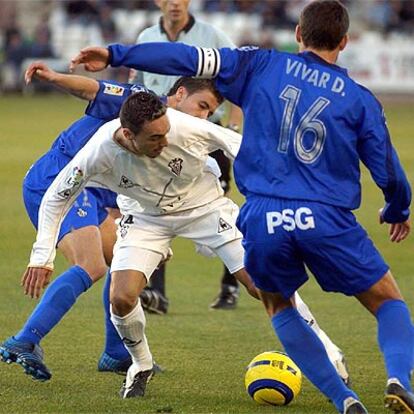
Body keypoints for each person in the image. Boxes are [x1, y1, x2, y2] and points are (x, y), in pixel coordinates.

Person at [70, 0, 414, 412]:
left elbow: (184, 56)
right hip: (325, 215)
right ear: (344, 41)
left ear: (298, 35)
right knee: (387, 299)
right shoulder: (359, 99)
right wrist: (397, 209)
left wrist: (115, 54)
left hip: (263, 216)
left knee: (277, 303)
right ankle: (397, 376)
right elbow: (389, 173)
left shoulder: (260, 64)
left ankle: (344, 401)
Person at [0, 63, 224, 380]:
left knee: (122, 261)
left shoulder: (168, 137)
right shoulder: (140, 103)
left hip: (99, 194)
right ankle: (24, 340)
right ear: (179, 94)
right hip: (60, 181)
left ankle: (116, 354)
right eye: (202, 106)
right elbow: (94, 90)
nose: (204, 117)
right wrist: (53, 77)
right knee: (92, 265)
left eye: (210, 113)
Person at [129, 0, 243, 312]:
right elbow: (135, 87)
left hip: (205, 136)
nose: (175, 3)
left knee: (221, 207)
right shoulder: (146, 38)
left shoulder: (213, 37)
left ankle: (230, 287)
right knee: (156, 203)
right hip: (158, 137)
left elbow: (239, 77)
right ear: (158, 2)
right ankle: (158, 294)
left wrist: (232, 125)